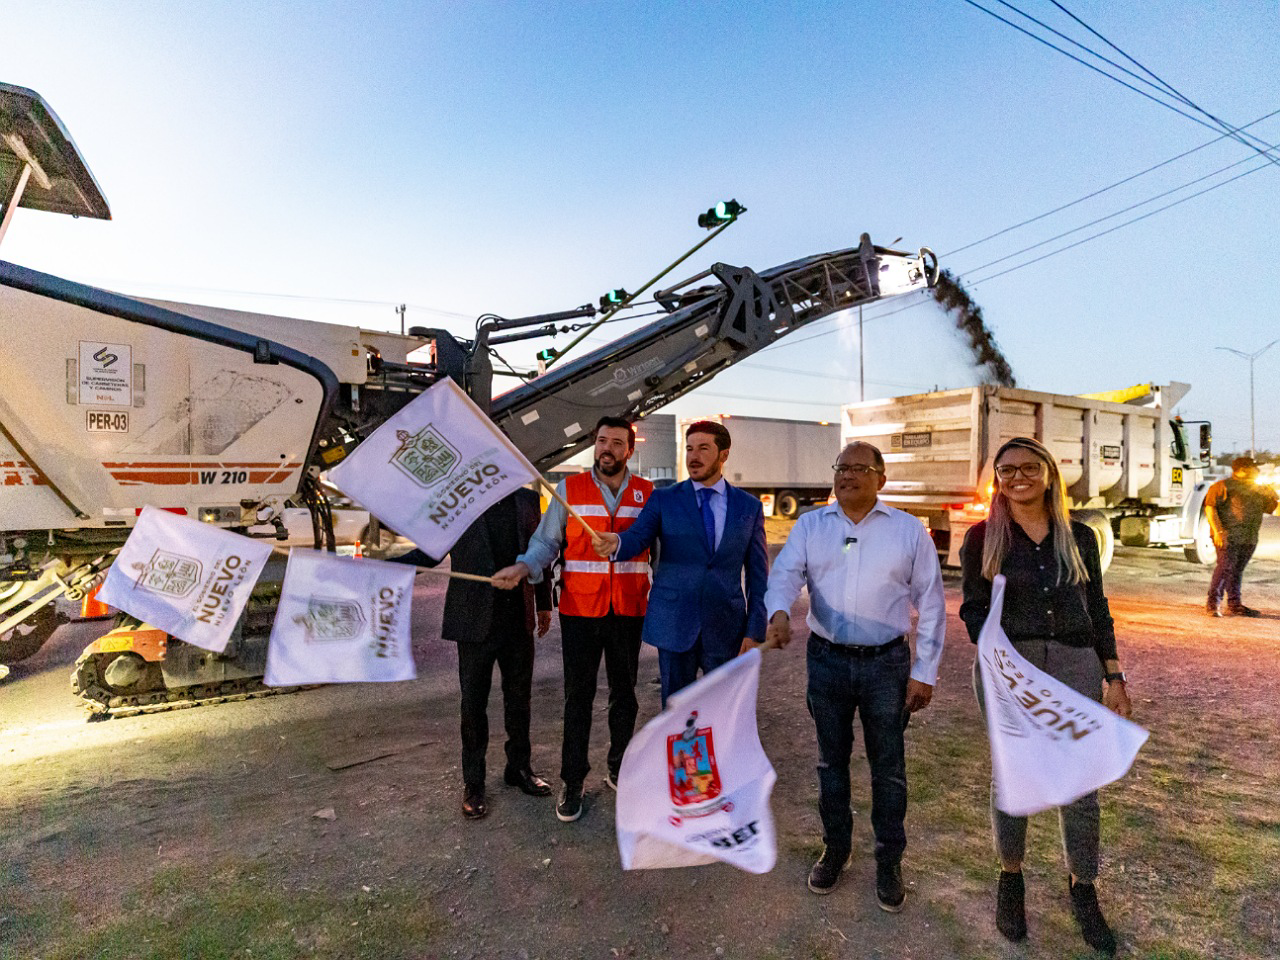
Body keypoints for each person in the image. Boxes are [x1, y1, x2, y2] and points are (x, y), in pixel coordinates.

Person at [959, 436, 1133, 956]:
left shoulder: (1079, 536)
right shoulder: (982, 537)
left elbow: (1097, 606)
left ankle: (1084, 888)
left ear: (1049, 473)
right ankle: (1011, 879)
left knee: (1080, 783)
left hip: (1075, 665)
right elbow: (972, 608)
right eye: (1007, 470)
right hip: (1010, 668)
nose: (1018, 477)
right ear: (998, 479)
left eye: (1029, 468)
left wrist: (1114, 675)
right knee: (1014, 775)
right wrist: (997, 652)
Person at [760, 441, 944, 909]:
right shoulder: (811, 525)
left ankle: (889, 862)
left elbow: (932, 603)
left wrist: (924, 671)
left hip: (887, 666)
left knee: (888, 768)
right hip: (827, 662)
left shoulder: (908, 531)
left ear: (881, 478)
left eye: (859, 468)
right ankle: (836, 849)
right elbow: (785, 575)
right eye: (841, 467)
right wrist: (779, 611)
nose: (847, 475)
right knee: (831, 763)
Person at [492, 417, 653, 823]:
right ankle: (573, 780)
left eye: (617, 443)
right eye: (602, 441)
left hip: (629, 610)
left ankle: (619, 766)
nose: (607, 449)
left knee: (625, 695)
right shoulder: (569, 491)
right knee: (578, 698)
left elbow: (660, 547)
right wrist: (524, 567)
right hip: (581, 610)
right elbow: (546, 542)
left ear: (629, 450)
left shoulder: (647, 494)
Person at [398, 488, 553, 820]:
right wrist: (380, 567)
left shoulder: (527, 500)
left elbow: (540, 551)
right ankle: (474, 783)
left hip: (517, 619)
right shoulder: (460, 501)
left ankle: (519, 768)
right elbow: (429, 554)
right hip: (473, 621)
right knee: (472, 705)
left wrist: (543, 603)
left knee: (519, 701)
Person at [592, 419, 768, 704]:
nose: (693, 456)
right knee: (676, 713)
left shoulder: (748, 507)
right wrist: (617, 542)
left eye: (703, 448)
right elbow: (637, 536)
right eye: (689, 448)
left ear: (724, 454)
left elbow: (759, 577)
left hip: (726, 628)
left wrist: (756, 629)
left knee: (722, 712)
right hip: (674, 624)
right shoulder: (664, 499)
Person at [1204, 456, 1278, 617]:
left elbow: (1271, 508)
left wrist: (1271, 495)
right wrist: (1218, 531)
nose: (1257, 470)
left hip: (1249, 537)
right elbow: (1210, 508)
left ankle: (1235, 604)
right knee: (1224, 569)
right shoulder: (1222, 486)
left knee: (1237, 571)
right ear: (1242, 470)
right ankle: (1213, 604)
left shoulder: (1257, 488)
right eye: (1254, 467)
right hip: (1228, 536)